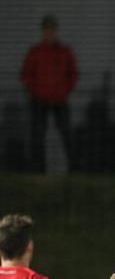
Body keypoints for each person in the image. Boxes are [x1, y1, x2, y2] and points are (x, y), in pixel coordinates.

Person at [20, 15, 78, 174]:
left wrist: (65, 90)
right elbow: (25, 74)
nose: (49, 34)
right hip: (39, 100)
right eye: (46, 30)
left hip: (60, 99)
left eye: (51, 30)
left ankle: (74, 168)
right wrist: (35, 90)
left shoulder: (65, 52)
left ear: (56, 32)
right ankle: (39, 170)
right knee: (38, 136)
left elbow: (73, 74)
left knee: (67, 133)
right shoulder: (35, 52)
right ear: (42, 32)